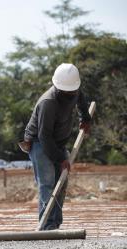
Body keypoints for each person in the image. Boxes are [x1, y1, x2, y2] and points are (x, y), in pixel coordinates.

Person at [22, 63, 92, 230]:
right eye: (68, 92)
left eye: (73, 91)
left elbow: (82, 101)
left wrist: (86, 118)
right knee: (47, 183)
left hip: (58, 142)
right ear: (59, 88)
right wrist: (61, 158)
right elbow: (44, 135)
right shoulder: (49, 102)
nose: (71, 94)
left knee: (61, 182)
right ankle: (46, 226)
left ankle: (55, 223)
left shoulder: (74, 91)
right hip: (39, 143)